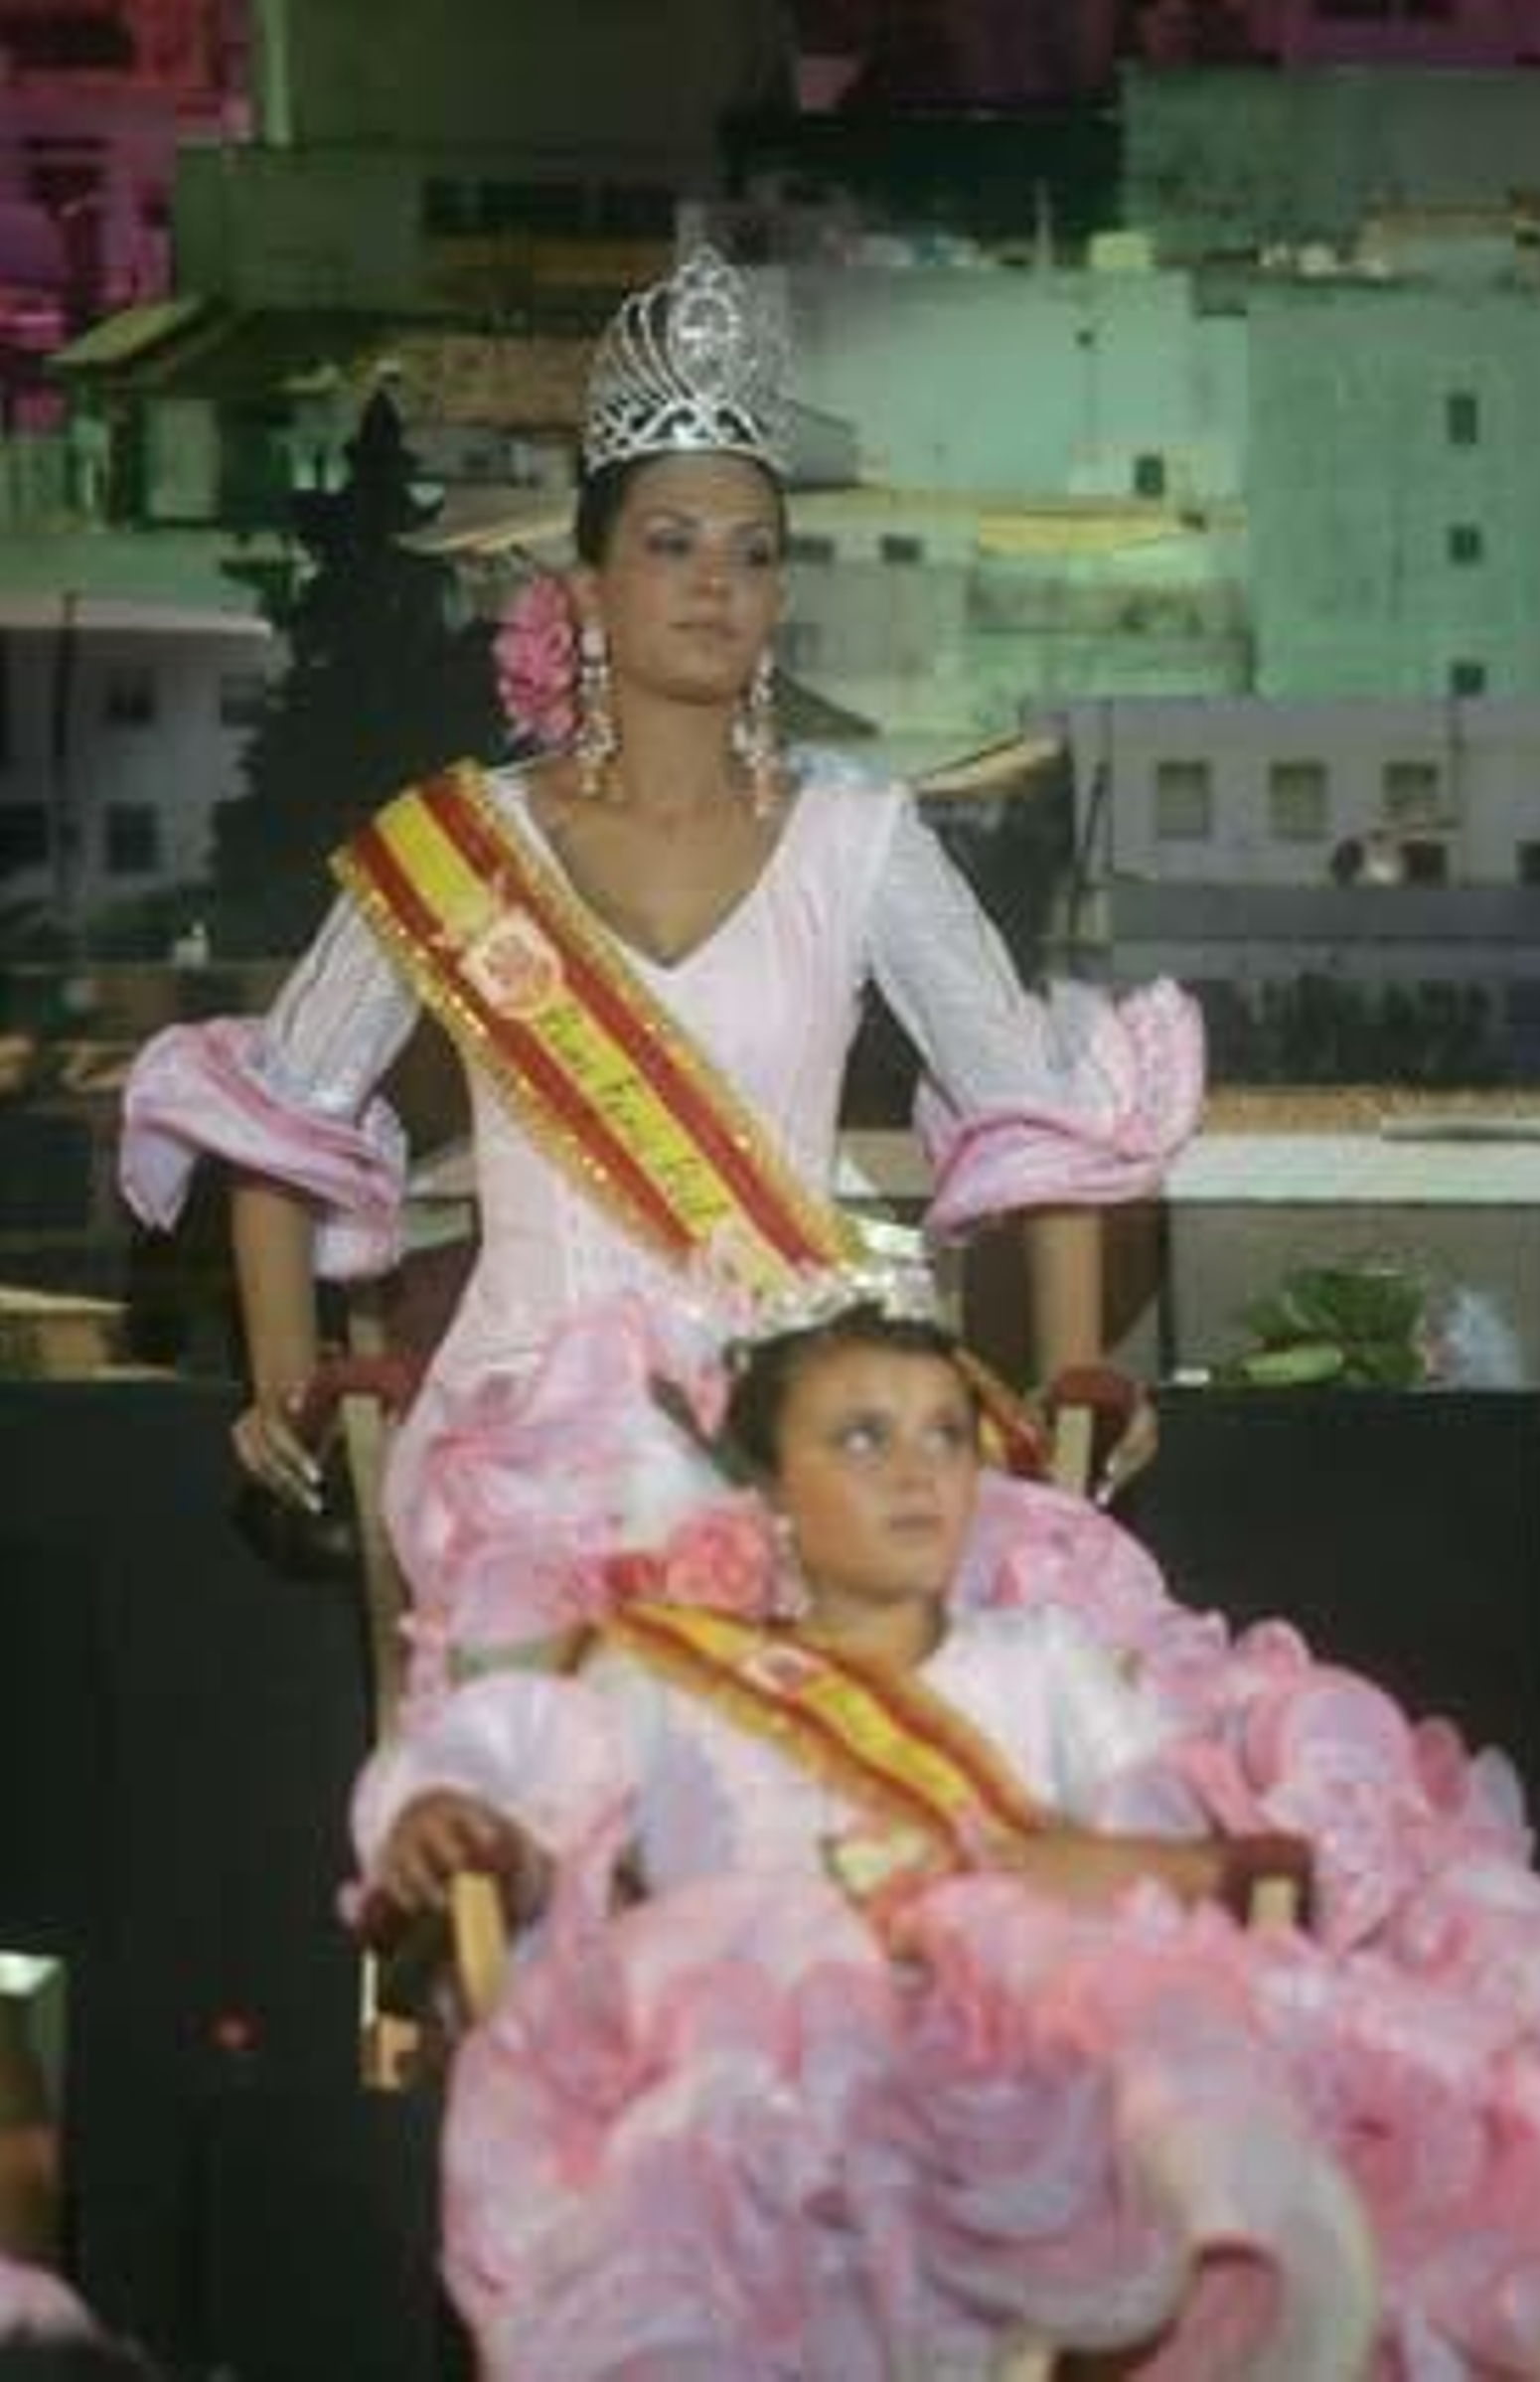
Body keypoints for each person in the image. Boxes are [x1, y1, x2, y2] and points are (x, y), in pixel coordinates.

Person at [118, 244, 1202, 1705]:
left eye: (754, 553)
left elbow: (1036, 1119)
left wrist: (1080, 1381)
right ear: (588, 581)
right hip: (526, 1443)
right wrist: (281, 1377)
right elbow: (282, 1113)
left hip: (800, 1424)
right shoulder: (457, 844)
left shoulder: (860, 839)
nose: (716, 585)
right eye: (673, 544)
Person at [354, 1294, 1540, 2381]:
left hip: (1045, 2028)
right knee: (761, 2094)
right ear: (771, 1495)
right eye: (862, 1438)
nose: (915, 1473)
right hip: (777, 2051)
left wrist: (1087, 1869)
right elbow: (522, 1777)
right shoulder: (670, 1673)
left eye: (945, 1436)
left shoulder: (1042, 1661)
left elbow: (1180, 1840)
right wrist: (464, 1827)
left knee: (1189, 2051)